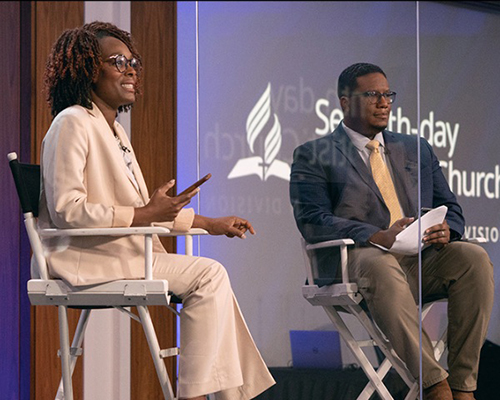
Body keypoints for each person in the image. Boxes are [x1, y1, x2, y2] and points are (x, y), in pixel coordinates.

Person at [38, 21, 275, 400]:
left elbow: (142, 211)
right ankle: (196, 395)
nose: (130, 70)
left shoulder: (115, 131)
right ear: (87, 68)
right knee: (209, 275)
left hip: (119, 251)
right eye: (118, 61)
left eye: (134, 62)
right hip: (83, 257)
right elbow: (69, 210)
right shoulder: (72, 122)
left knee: (213, 279)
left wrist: (211, 223)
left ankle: (222, 396)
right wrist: (145, 215)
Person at [289, 62, 493, 400]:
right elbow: (310, 219)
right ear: (345, 102)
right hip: (356, 260)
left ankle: (462, 386)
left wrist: (448, 229)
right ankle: (434, 385)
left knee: (473, 258)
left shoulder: (416, 148)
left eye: (387, 95)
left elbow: (453, 209)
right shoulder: (314, 154)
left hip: (418, 259)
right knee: (379, 262)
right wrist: (373, 234)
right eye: (372, 95)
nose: (384, 102)